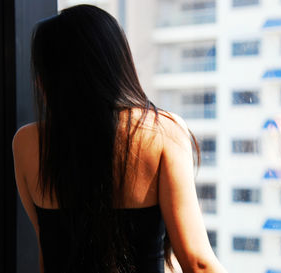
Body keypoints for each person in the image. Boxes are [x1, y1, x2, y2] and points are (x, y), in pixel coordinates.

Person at [12, 4, 227, 273]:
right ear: (116, 61)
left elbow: (49, 254)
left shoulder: (27, 143)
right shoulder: (162, 133)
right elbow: (198, 263)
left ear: (49, 78)